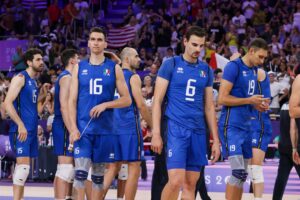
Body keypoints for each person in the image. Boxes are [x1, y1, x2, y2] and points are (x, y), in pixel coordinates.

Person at [151, 26, 220, 200]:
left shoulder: (206, 70)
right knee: (175, 181)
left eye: (201, 46)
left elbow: (209, 107)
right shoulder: (171, 64)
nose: (198, 49)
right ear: (185, 42)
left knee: (191, 184)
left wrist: (216, 140)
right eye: (194, 44)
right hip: (175, 128)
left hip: (198, 131)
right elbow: (157, 101)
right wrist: (156, 133)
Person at [68, 27, 131, 200]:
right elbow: (71, 101)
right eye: (93, 39)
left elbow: (127, 100)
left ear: (105, 43)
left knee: (97, 178)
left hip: (105, 130)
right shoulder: (79, 68)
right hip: (83, 130)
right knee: (80, 175)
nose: (96, 42)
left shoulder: (114, 68)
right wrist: (73, 128)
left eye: (99, 39)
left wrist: (106, 104)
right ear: (88, 43)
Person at [218, 38, 269, 200]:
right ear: (251, 51)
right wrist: (249, 101)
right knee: (238, 172)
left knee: (243, 175)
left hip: (247, 126)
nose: (262, 61)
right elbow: (222, 99)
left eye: (265, 58)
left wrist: (257, 105)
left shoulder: (254, 70)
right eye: (260, 57)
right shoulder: (233, 67)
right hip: (231, 125)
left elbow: (248, 98)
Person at [102, 47, 153, 200]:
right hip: (129, 127)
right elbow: (141, 105)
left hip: (112, 127)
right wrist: (153, 126)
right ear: (126, 59)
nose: (139, 59)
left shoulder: (112, 76)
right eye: (136, 56)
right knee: (134, 168)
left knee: (112, 168)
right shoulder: (133, 77)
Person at [4, 48, 44, 200]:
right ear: (29, 62)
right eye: (38, 60)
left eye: (42, 59)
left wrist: (44, 96)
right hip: (21, 130)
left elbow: (30, 106)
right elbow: (7, 103)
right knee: (23, 169)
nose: (42, 62)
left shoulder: (34, 81)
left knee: (24, 170)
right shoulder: (20, 77)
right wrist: (20, 125)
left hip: (31, 129)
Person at [52, 49, 79, 200]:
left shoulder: (69, 77)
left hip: (66, 124)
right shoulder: (66, 78)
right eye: (78, 59)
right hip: (63, 125)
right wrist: (72, 130)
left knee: (69, 170)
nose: (80, 62)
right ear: (72, 61)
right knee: (65, 169)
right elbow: (64, 106)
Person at [248, 68, 272, 200]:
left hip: (259, 123)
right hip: (245, 124)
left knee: (255, 167)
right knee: (244, 168)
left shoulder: (259, 72)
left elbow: (265, 103)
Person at [273, 92, 300, 200]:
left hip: (283, 146)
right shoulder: (296, 108)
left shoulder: (284, 105)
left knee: (281, 179)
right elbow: (293, 129)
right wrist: (295, 148)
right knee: (281, 178)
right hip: (296, 148)